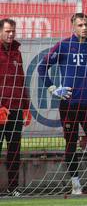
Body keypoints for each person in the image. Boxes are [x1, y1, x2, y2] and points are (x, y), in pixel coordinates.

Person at [37, 13, 87, 195]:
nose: (84, 28)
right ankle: (76, 186)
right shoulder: (64, 46)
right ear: (73, 26)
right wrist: (53, 89)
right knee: (71, 143)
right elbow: (42, 67)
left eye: (86, 24)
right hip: (69, 105)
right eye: (80, 25)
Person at [0, 18, 32, 197]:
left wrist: (26, 106)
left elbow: (21, 80)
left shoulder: (17, 53)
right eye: (7, 31)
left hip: (15, 110)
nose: (11, 34)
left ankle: (14, 188)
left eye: (13, 31)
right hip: (0, 111)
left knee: (14, 151)